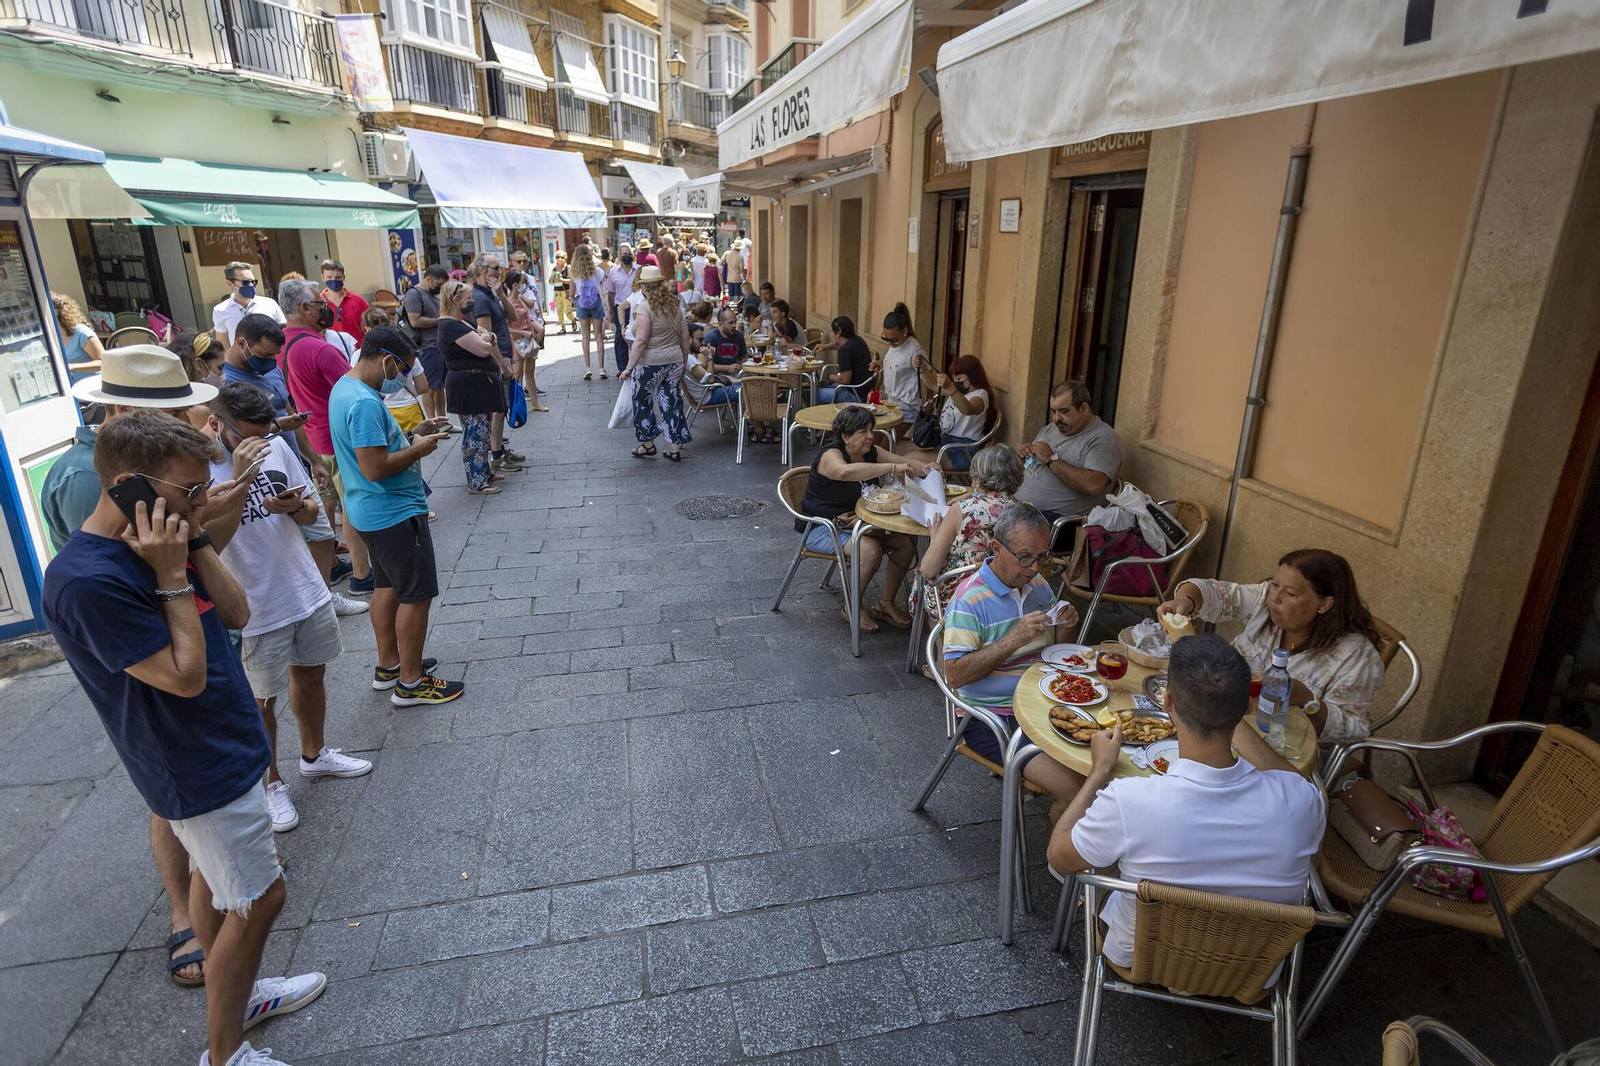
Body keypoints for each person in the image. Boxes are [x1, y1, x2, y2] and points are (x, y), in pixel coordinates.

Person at [42, 409, 326, 1066]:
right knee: (262, 897)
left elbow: (237, 611)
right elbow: (184, 676)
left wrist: (194, 536)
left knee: (216, 884)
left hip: (225, 743)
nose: (203, 498)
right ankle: (224, 1055)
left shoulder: (167, 536)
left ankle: (244, 993)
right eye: (188, 490)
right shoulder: (87, 581)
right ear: (128, 487)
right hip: (192, 763)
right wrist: (171, 578)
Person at [1047, 634, 1326, 976]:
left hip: (1141, 958)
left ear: (1167, 702)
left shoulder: (1129, 800)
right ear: (1248, 709)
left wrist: (1099, 771)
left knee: (1106, 856)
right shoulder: (1303, 800)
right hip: (1253, 969)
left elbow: (1059, 857)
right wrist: (1228, 713)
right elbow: (1291, 778)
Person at [205, 384, 373, 833]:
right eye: (247, 437)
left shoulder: (274, 443)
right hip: (253, 602)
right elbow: (208, 543)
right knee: (261, 700)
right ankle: (270, 783)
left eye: (266, 432)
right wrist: (240, 479)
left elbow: (312, 512)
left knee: (312, 672)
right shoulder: (198, 465)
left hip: (300, 584)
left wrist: (296, 505)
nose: (260, 443)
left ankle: (314, 755)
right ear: (217, 423)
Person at [328, 325, 462, 706]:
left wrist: (413, 434)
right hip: (393, 510)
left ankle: (390, 665)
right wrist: (419, 449)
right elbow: (375, 466)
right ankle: (411, 681)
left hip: (368, 510)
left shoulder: (345, 388)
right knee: (416, 596)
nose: (402, 377)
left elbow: (369, 450)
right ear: (387, 360)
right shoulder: (367, 403)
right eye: (402, 368)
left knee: (386, 588)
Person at [1159, 548, 1386, 744]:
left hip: (1284, 748)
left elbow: (1354, 730)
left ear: (1324, 604)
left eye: (1290, 593)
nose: (1274, 598)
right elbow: (1211, 592)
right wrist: (1185, 602)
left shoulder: (1356, 655)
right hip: (1218, 723)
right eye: (1275, 584)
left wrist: (1308, 700)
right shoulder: (1265, 601)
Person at [942, 501, 1085, 811]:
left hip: (1044, 702)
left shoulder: (1038, 584)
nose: (1034, 568)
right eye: (1024, 557)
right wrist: (1014, 638)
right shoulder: (969, 600)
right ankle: (1062, 859)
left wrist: (1067, 625)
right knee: (1077, 790)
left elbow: (1056, 651)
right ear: (996, 547)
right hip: (993, 718)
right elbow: (954, 674)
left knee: (1104, 764)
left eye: (1042, 557)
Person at [277, 277, 376, 595]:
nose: (327, 309)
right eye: (321, 305)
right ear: (305, 308)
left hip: (310, 438)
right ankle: (362, 574)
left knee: (330, 501)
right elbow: (355, 388)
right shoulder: (319, 348)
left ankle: (332, 564)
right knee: (353, 504)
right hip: (335, 438)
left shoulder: (282, 343)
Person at [798, 405, 932, 633]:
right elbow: (844, 472)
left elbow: (905, 462)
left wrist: (929, 469)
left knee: (905, 544)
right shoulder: (832, 455)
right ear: (845, 436)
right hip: (822, 526)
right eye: (862, 431)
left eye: (871, 429)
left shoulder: (872, 452)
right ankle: (852, 605)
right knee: (870, 550)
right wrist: (891, 467)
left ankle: (885, 604)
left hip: (858, 523)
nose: (870, 436)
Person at [919, 444, 1025, 613]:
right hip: (1010, 592)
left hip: (963, 597)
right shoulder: (1024, 510)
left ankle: (944, 637)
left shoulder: (962, 510)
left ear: (978, 478)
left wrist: (934, 536)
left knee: (924, 581)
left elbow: (928, 570)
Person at [1016, 380, 1123, 525]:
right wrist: (1024, 457)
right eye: (1053, 411)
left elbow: (1093, 485)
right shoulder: (1052, 429)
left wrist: (1051, 459)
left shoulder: (1104, 440)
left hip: (1058, 522)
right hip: (1022, 509)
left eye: (1064, 411)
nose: (1056, 418)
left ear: (1084, 408)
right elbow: (1034, 461)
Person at [439, 280, 508, 496]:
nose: (472, 301)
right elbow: (484, 349)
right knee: (475, 435)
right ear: (455, 300)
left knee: (483, 432)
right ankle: (476, 481)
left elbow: (488, 337)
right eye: (468, 298)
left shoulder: (463, 322)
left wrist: (488, 337)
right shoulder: (450, 325)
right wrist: (487, 338)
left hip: (477, 385)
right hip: (468, 388)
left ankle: (484, 473)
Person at [621, 265, 692, 462]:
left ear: (644, 287)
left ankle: (648, 444)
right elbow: (685, 336)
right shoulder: (674, 306)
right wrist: (683, 361)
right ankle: (674, 448)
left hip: (650, 364)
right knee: (671, 402)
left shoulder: (645, 308)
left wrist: (629, 367)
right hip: (674, 361)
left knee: (643, 402)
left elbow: (641, 341)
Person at [467, 256, 524, 473]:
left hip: (503, 354)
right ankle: (496, 453)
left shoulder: (491, 294)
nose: (501, 271)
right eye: (496, 268)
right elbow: (486, 337)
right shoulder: (479, 298)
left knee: (502, 407)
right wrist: (503, 365)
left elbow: (513, 316)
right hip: (495, 360)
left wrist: (501, 294)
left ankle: (498, 450)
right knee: (499, 408)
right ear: (483, 271)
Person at [894, 354, 994, 472]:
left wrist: (952, 388)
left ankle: (903, 488)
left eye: (959, 379)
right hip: (942, 442)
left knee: (908, 460)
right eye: (954, 379)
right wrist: (923, 369)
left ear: (972, 376)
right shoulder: (958, 391)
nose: (956, 382)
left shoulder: (981, 395)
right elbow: (932, 384)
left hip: (961, 450)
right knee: (895, 448)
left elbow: (967, 409)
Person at [363, 306, 428, 434]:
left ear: (367, 329)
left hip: (381, 412)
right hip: (409, 410)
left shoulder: (360, 357)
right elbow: (423, 387)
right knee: (414, 449)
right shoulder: (409, 353)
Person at [402, 264, 450, 424]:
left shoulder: (433, 293)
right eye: (438, 285)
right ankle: (432, 422)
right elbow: (415, 321)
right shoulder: (414, 294)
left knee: (440, 387)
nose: (439, 289)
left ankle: (443, 421)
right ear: (429, 279)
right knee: (430, 388)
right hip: (427, 347)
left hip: (440, 345)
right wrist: (441, 321)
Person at [873, 302, 930, 411]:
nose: (890, 343)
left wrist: (930, 401)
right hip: (890, 403)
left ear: (904, 331)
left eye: (893, 340)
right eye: (886, 339)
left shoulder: (914, 349)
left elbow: (927, 374)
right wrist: (882, 364)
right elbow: (898, 363)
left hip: (907, 406)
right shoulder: (896, 342)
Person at [212, 261, 285, 346]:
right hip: (242, 359)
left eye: (253, 282)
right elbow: (224, 346)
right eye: (245, 282)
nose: (251, 285)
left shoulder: (270, 304)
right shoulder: (220, 311)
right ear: (230, 284)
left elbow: (283, 333)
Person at [815, 315, 874, 403]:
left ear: (839, 332)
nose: (832, 335)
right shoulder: (858, 340)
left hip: (854, 395)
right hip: (865, 392)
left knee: (814, 393)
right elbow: (843, 348)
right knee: (821, 385)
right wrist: (827, 346)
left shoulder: (845, 350)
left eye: (832, 332)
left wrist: (830, 377)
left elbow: (844, 380)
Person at [570, 243, 607, 381]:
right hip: (596, 302)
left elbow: (572, 293)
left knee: (585, 336)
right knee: (598, 336)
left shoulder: (573, 272)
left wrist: (575, 303)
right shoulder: (598, 271)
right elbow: (601, 286)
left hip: (582, 304)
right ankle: (601, 368)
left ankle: (587, 368)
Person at [604, 245, 640, 378]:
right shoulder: (613, 272)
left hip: (637, 307)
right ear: (619, 255)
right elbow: (611, 293)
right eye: (624, 253)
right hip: (620, 308)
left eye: (628, 253)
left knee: (638, 335)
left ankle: (636, 364)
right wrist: (611, 312)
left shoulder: (639, 269)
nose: (626, 256)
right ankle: (622, 366)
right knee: (620, 336)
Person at [52, 292, 105, 378]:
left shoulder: (81, 332)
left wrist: (72, 367)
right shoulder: (48, 339)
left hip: (92, 385)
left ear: (56, 311)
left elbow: (103, 362)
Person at [319, 259, 370, 343]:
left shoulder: (359, 301)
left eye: (338, 277)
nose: (334, 280)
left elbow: (371, 327)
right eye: (329, 277)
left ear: (344, 277)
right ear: (322, 277)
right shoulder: (318, 304)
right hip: (332, 352)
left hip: (358, 351)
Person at [551, 253, 572, 333]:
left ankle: (573, 320)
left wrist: (562, 280)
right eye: (557, 257)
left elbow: (571, 280)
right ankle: (563, 327)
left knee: (568, 310)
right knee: (559, 310)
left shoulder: (568, 267)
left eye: (561, 257)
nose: (559, 259)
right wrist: (552, 278)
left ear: (565, 258)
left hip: (566, 291)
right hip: (557, 291)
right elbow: (550, 282)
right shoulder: (554, 269)